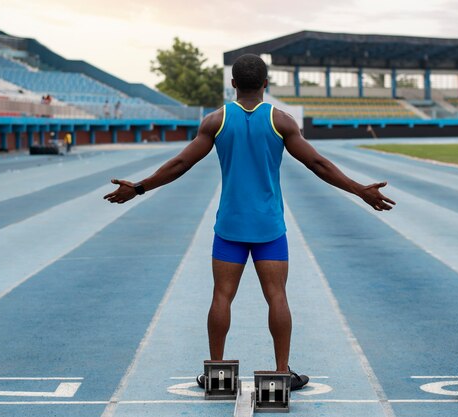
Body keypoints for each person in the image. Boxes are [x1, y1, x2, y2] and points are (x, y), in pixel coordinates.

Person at [103, 54, 395, 391]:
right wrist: (360, 190)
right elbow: (318, 164)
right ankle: (282, 373)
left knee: (222, 297)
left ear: (233, 85)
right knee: (277, 297)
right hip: (269, 227)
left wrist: (138, 188)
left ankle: (217, 374)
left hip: (230, 227)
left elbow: (181, 163)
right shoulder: (282, 122)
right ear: (266, 84)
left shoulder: (215, 120)